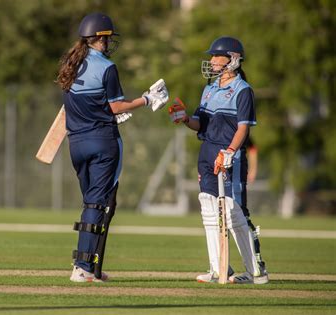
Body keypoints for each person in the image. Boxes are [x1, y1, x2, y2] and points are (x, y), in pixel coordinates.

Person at [56, 12, 169, 282]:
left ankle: (92, 267)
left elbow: (85, 106)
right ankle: (82, 268)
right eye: (108, 38)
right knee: (97, 204)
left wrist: (108, 112)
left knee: (94, 203)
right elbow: (115, 106)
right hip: (103, 142)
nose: (110, 43)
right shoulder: (106, 67)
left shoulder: (70, 66)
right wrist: (145, 99)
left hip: (76, 144)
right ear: (100, 38)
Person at [168, 36, 268, 284]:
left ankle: (255, 272)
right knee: (209, 209)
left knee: (235, 212)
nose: (211, 61)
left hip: (229, 156)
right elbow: (199, 123)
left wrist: (230, 152)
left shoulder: (243, 91)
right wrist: (184, 119)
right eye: (211, 56)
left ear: (233, 59)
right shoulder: (210, 88)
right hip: (207, 153)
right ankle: (218, 268)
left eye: (216, 56)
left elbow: (243, 129)